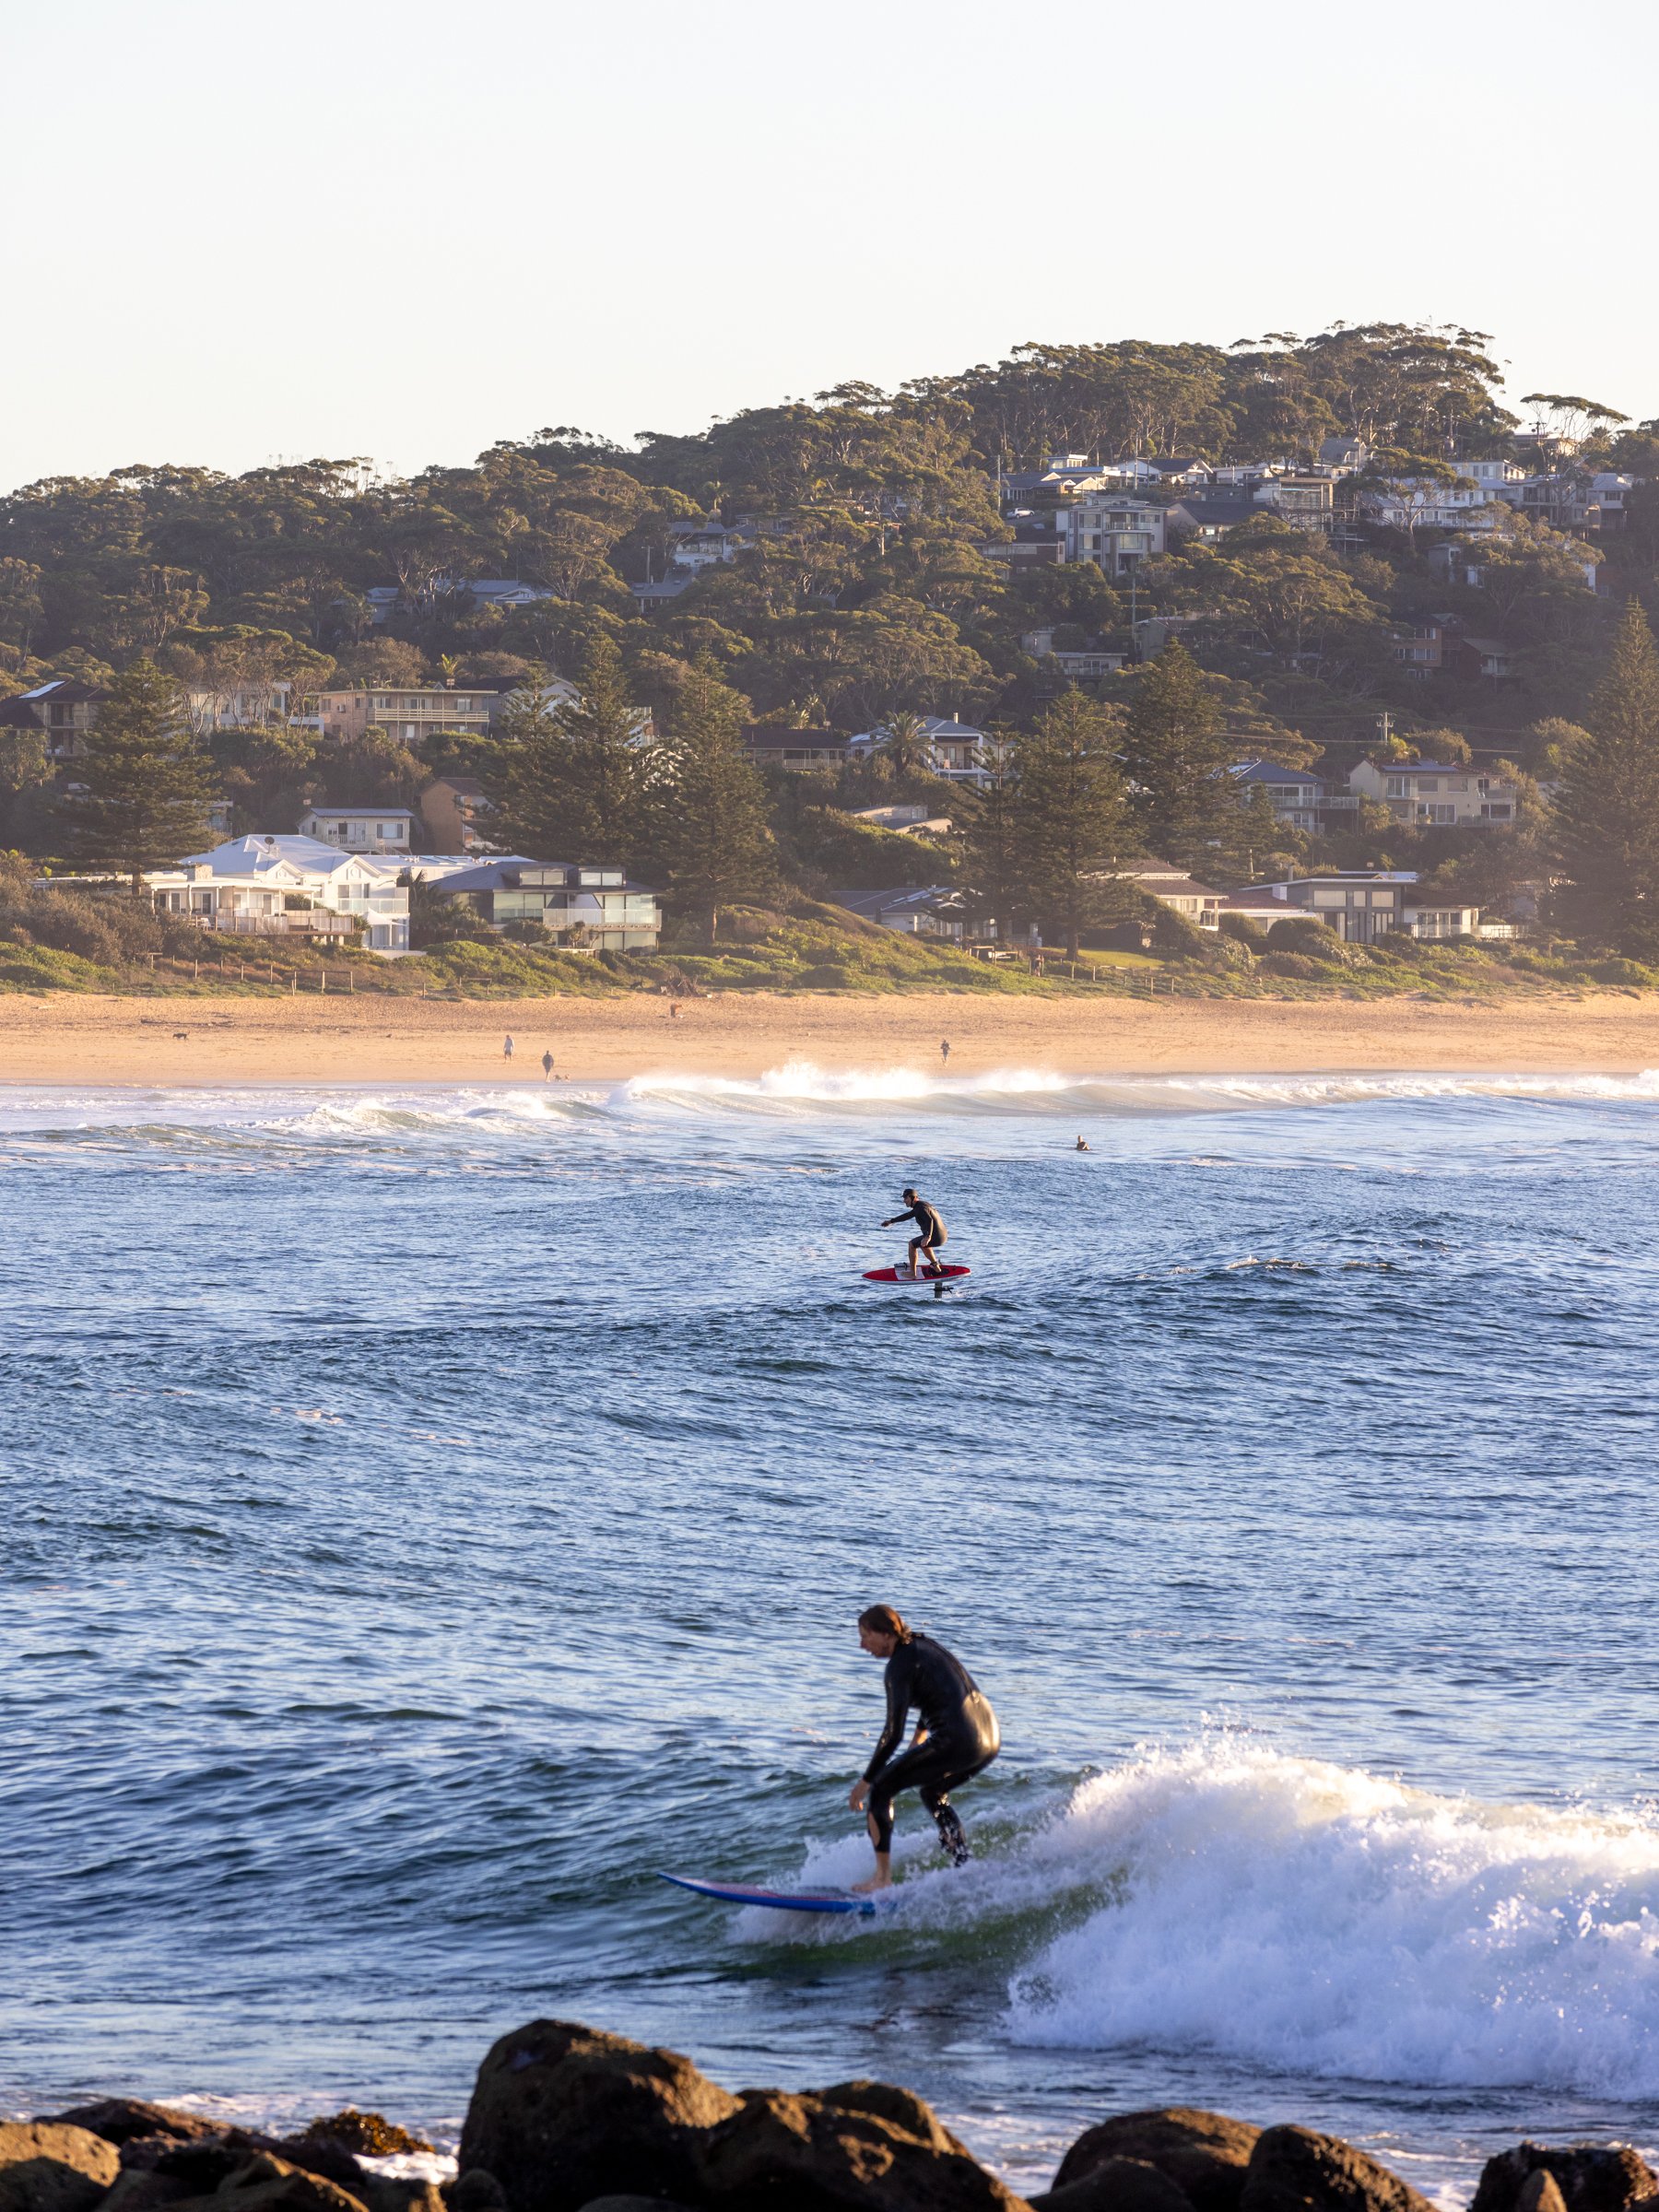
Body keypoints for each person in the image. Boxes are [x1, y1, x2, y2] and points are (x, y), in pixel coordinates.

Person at [848, 1605, 999, 1890]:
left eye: (865, 1636)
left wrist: (866, 1781)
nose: (862, 1644)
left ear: (885, 1634)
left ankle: (882, 1879)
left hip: (958, 1739)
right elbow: (938, 1693)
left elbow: (892, 1733)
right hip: (988, 1739)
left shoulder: (898, 1667)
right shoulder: (921, 1646)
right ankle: (963, 1866)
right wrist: (920, 1738)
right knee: (933, 1791)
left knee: (881, 1789)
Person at [881, 1187, 946, 1279]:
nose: (904, 1201)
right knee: (923, 1244)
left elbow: (929, 1220)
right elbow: (908, 1215)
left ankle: (913, 1274)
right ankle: (936, 1268)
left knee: (912, 1244)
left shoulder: (921, 1208)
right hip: (941, 1235)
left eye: (906, 1198)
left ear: (913, 1198)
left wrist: (928, 1236)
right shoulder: (921, 1206)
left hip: (936, 1236)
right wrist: (891, 1221)